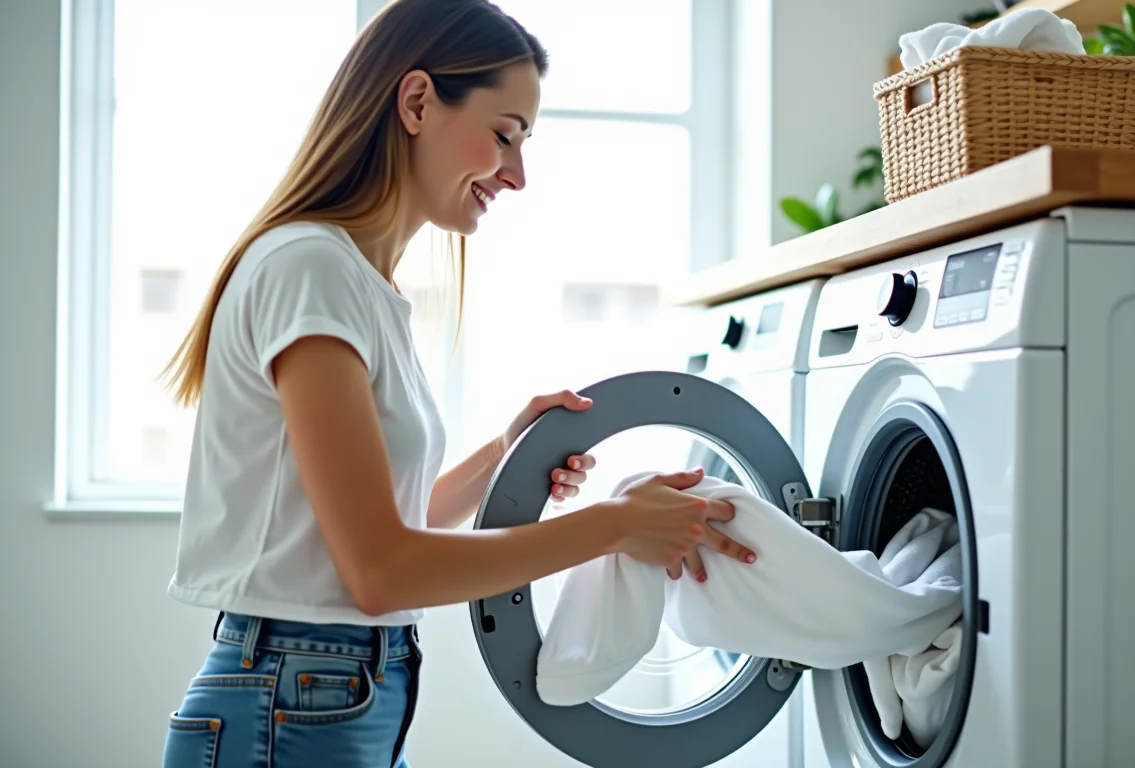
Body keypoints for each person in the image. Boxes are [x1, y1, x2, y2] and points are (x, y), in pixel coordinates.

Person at [158, 1, 757, 766]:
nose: (517, 174)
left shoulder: (360, 284)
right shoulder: (310, 269)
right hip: (294, 699)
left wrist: (506, 454)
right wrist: (611, 525)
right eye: (504, 135)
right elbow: (378, 572)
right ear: (415, 102)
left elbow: (379, 524)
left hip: (331, 695)